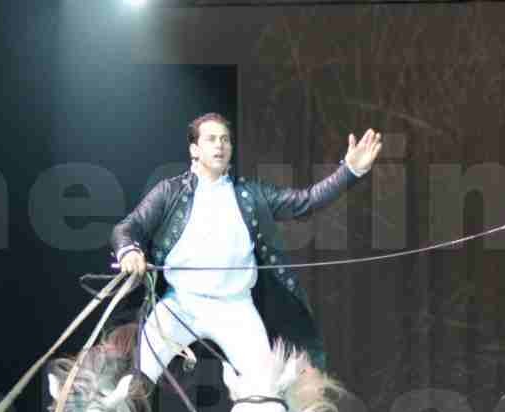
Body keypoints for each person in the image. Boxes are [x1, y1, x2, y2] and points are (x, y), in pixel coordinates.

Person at [111, 113, 382, 385]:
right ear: (195, 149)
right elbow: (127, 228)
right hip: (179, 305)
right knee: (134, 385)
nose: (220, 145)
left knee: (267, 391)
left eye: (225, 140)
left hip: (235, 308)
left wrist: (350, 170)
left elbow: (305, 201)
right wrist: (130, 251)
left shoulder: (251, 194)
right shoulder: (168, 191)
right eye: (211, 139)